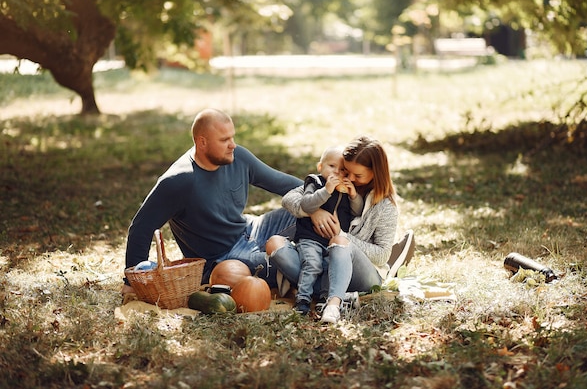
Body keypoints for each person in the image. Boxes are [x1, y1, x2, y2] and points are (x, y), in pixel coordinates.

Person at [121, 108, 302, 296]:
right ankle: (309, 274)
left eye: (232, 137)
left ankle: (304, 265)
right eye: (224, 140)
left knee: (308, 212)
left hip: (252, 229)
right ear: (202, 142)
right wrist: (131, 280)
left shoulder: (238, 157)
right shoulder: (178, 181)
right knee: (280, 263)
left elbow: (283, 183)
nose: (232, 145)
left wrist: (317, 199)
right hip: (224, 258)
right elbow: (141, 227)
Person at [266, 135, 398, 323]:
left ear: (375, 173)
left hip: (361, 274)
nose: (350, 178)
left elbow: (382, 255)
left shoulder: (385, 206)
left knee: (338, 242)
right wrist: (314, 211)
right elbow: (289, 198)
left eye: (357, 175)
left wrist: (341, 235)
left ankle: (333, 304)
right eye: (347, 171)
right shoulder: (333, 182)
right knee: (274, 243)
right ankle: (333, 292)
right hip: (323, 262)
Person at [285, 146, 364, 315]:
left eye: (342, 169)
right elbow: (306, 204)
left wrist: (353, 196)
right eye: (332, 166)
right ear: (320, 167)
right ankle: (303, 299)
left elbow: (357, 212)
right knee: (312, 264)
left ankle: (324, 298)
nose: (337, 172)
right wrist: (326, 190)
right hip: (310, 238)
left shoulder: (343, 190)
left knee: (330, 267)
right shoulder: (315, 182)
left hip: (331, 241)